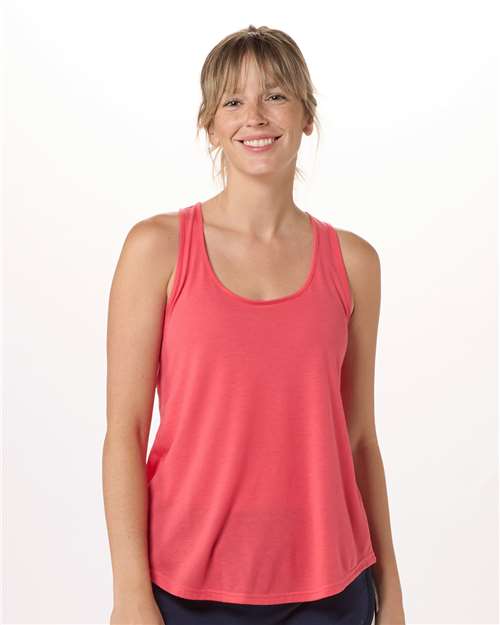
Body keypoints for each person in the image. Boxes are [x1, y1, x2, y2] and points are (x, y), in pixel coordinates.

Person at [103, 25, 406, 625]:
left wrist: (390, 592)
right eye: (233, 101)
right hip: (184, 587)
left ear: (306, 116)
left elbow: (359, 439)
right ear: (210, 124)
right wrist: (130, 595)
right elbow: (125, 432)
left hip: (331, 590)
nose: (255, 117)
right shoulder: (157, 249)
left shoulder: (354, 263)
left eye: (275, 96)